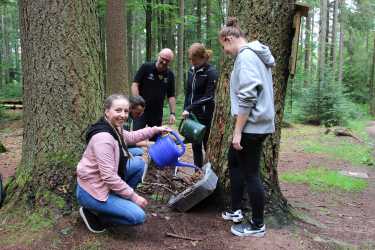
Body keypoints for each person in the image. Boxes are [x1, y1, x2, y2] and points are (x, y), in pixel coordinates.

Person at [76, 94, 170, 233]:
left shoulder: (114, 127)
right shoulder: (104, 138)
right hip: (92, 191)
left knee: (138, 164)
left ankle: (118, 201)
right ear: (107, 111)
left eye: (126, 111)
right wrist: (133, 196)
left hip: (103, 184)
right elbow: (109, 177)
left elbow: (131, 137)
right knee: (138, 216)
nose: (123, 115)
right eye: (118, 110)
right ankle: (96, 216)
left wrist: (154, 130)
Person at [218, 17, 275, 237]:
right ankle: (236, 210)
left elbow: (248, 96)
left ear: (229, 38)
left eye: (224, 47)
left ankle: (257, 225)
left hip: (252, 127)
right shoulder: (255, 55)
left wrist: (238, 131)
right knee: (234, 161)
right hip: (257, 123)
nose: (226, 52)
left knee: (251, 174)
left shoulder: (246, 57)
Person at [182, 43, 218, 168]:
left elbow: (209, 96)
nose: (192, 62)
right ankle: (197, 172)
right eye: (190, 60)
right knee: (195, 145)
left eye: (194, 60)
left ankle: (209, 171)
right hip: (192, 115)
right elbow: (188, 92)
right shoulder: (191, 71)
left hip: (205, 116)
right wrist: (185, 109)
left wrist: (189, 108)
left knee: (207, 145)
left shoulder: (211, 72)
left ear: (202, 57)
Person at [131, 48, 176, 132]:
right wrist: (137, 102)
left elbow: (171, 96)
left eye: (167, 60)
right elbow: (135, 84)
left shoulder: (170, 74)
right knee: (136, 135)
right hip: (141, 110)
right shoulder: (146, 67)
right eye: (163, 59)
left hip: (157, 112)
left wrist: (172, 113)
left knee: (155, 137)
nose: (164, 62)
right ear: (158, 56)